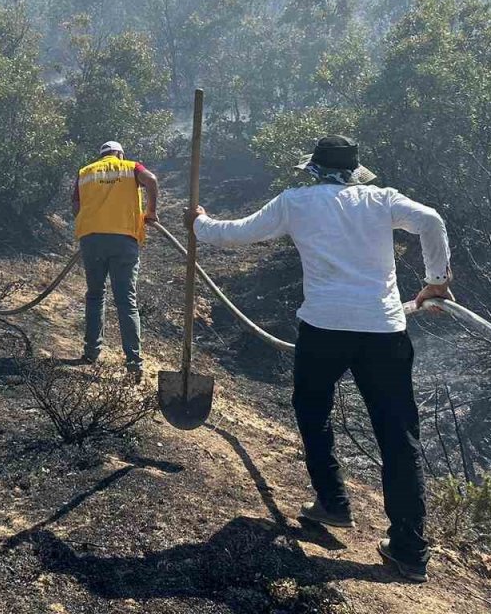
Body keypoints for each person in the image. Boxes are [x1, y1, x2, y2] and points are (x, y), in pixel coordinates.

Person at [191, 135, 452, 584]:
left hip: (324, 330)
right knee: (397, 435)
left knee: (313, 412)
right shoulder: (381, 199)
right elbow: (430, 220)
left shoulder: (296, 202)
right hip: (383, 330)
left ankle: (333, 502)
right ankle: (409, 550)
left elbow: (236, 235)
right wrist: (435, 282)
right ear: (354, 170)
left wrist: (199, 223)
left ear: (313, 168)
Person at [72, 140, 160, 380]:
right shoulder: (131, 167)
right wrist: (150, 212)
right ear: (119, 154)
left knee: (95, 295)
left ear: (101, 155)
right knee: (126, 301)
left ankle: (90, 352)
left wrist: (90, 221)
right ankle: (134, 363)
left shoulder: (85, 172)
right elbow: (151, 180)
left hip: (91, 240)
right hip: (123, 240)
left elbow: (76, 203)